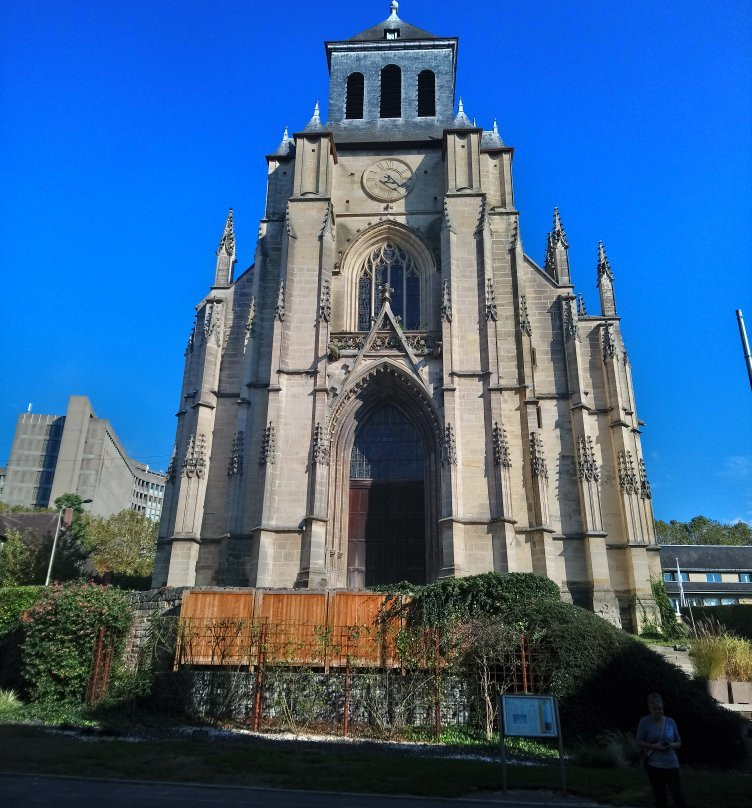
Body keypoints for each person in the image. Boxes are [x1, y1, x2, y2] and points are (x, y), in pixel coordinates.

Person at [636, 693, 686, 808]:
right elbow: (639, 741)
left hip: (671, 764)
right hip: (654, 765)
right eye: (655, 708)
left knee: (678, 796)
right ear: (649, 708)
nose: (658, 711)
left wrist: (671, 744)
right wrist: (654, 746)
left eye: (660, 708)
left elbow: (679, 742)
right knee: (660, 798)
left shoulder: (670, 722)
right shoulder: (644, 722)